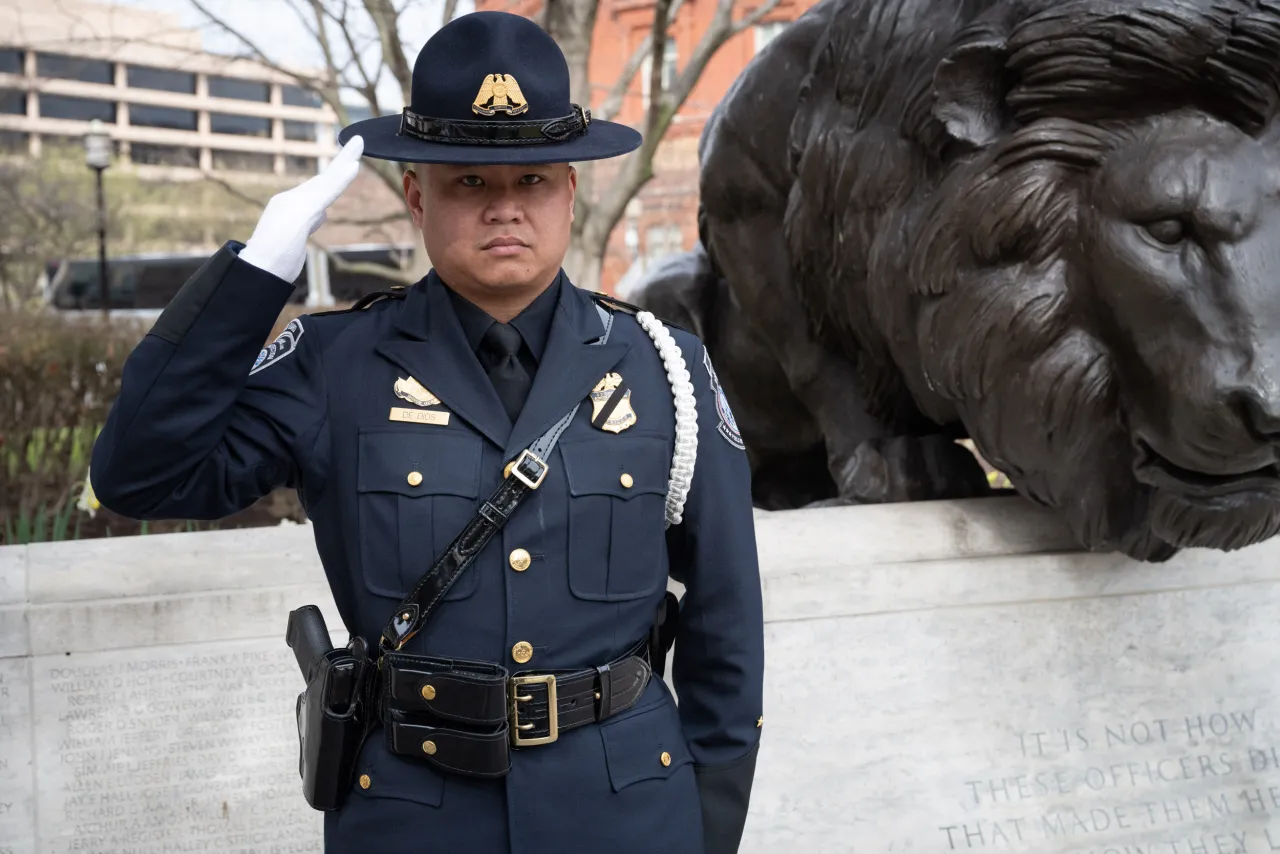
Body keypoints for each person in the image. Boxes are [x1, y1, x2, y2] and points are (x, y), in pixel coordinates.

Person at [90, 10, 764, 854]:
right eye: (470, 184)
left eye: (532, 183)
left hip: (627, 813)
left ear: (570, 191)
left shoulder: (668, 368)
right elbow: (141, 475)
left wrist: (706, 829)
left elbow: (726, 626)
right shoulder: (333, 366)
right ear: (416, 196)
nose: (505, 210)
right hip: (412, 816)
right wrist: (258, 272)